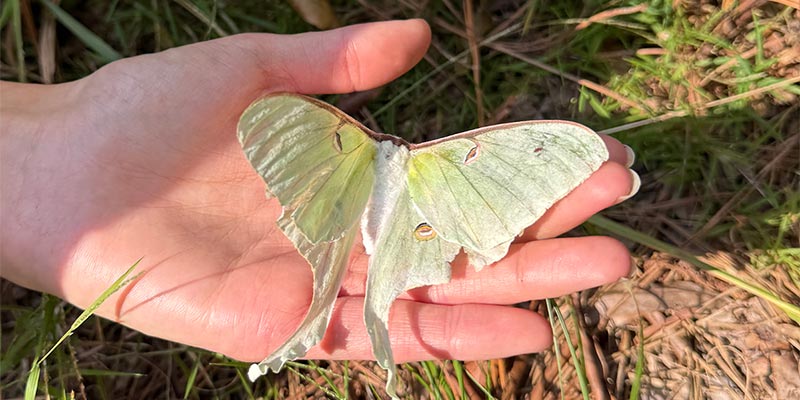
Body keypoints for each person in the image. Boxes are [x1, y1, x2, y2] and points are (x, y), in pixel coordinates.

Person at [0, 20, 637, 365]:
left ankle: (340, 344)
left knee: (361, 283)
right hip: (401, 212)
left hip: (383, 207)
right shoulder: (420, 156)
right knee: (353, 282)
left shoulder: (350, 142)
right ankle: (348, 345)